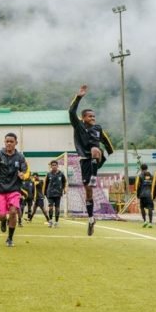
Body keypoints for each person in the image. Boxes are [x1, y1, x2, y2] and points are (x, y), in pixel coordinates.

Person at [69, 85, 114, 236]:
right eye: (90, 117)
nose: (93, 119)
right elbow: (71, 111)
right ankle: (90, 219)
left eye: (94, 117)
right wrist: (79, 96)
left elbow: (106, 141)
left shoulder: (98, 129)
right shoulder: (78, 126)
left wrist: (110, 152)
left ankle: (94, 178)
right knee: (88, 192)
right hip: (85, 161)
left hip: (97, 157)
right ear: (83, 118)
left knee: (96, 150)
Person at [0, 133, 29, 247]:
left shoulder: (20, 157)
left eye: (11, 141)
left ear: (16, 143)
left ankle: (10, 238)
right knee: (1, 215)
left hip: (14, 190)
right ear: (4, 142)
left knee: (13, 212)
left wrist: (23, 175)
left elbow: (26, 170)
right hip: (1, 191)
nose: (9, 143)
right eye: (7, 141)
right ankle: (3, 221)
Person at [43, 160, 67, 228]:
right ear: (51, 166)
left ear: (57, 166)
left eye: (55, 165)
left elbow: (64, 182)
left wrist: (65, 189)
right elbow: (45, 184)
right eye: (52, 165)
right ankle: (50, 221)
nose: (54, 166)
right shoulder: (48, 174)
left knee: (57, 208)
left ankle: (56, 222)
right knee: (50, 207)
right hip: (50, 193)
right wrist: (44, 193)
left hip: (58, 193)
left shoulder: (61, 174)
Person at [135, 164, 154, 228]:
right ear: (147, 168)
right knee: (150, 208)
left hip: (142, 194)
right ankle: (150, 222)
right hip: (149, 194)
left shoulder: (140, 176)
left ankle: (145, 221)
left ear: (141, 168)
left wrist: (138, 195)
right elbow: (153, 185)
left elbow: (138, 186)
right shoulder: (151, 176)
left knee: (142, 207)